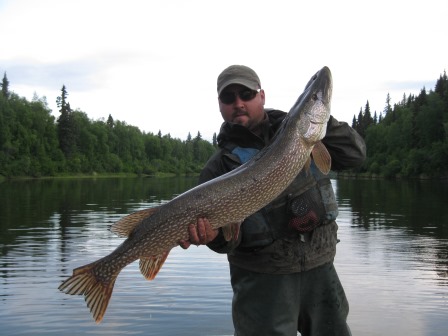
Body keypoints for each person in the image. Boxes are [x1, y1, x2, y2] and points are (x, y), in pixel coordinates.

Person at [179, 65, 366, 336]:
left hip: (320, 270)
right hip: (262, 283)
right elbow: (224, 243)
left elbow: (354, 155)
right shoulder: (218, 167)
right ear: (220, 105)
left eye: (246, 94)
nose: (238, 103)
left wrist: (321, 119)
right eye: (229, 98)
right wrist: (211, 237)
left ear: (262, 96)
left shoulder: (304, 134)